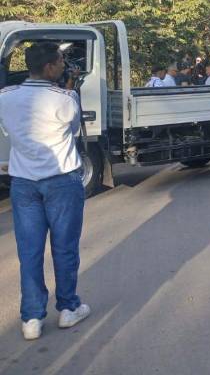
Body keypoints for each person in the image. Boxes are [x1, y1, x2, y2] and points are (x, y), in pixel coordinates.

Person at [0, 42, 91, 340]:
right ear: (50, 67)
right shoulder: (66, 98)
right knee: (64, 249)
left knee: (29, 252)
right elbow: (73, 130)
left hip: (23, 184)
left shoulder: (5, 97)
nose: (64, 64)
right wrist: (69, 87)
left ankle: (32, 319)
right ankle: (68, 309)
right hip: (62, 182)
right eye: (61, 61)